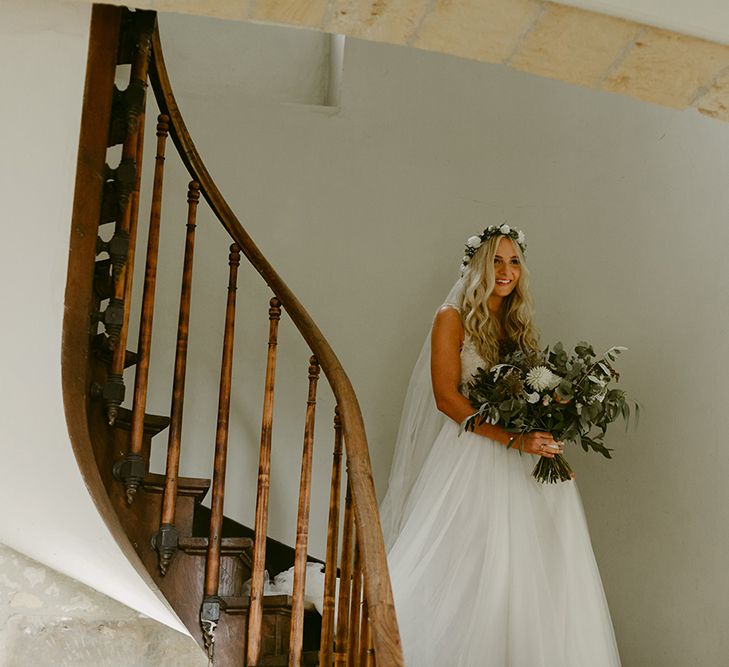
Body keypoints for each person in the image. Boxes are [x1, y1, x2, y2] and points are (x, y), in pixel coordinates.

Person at [380, 225, 621, 667]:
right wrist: (513, 438)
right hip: (473, 456)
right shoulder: (450, 317)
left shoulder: (515, 322)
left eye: (514, 261)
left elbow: (528, 393)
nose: (506, 271)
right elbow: (447, 397)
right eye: (496, 260)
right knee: (476, 570)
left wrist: (549, 426)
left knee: (535, 569)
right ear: (477, 264)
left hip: (522, 458)